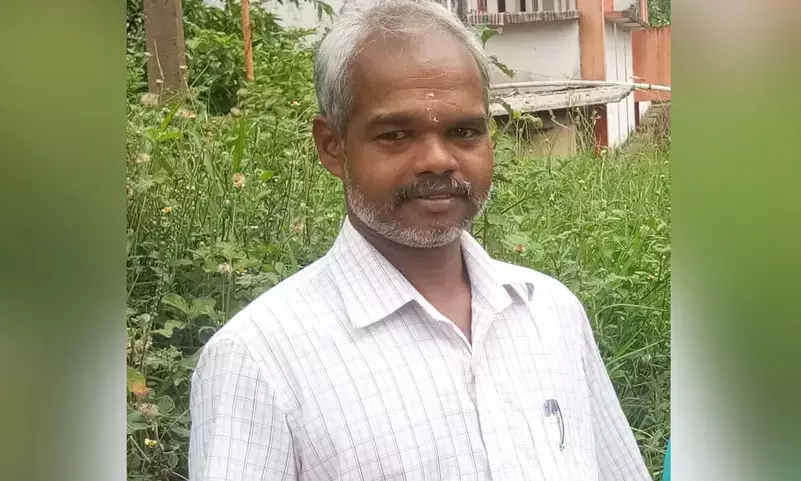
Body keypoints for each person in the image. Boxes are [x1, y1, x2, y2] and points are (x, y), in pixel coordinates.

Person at [188, 1, 653, 480]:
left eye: (464, 132)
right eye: (396, 134)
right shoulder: (259, 361)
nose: (437, 160)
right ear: (332, 146)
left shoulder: (551, 314)